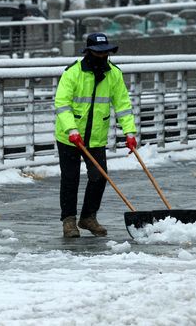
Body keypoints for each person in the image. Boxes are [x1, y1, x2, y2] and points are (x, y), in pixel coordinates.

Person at [54, 32, 137, 238]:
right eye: (99, 53)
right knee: (70, 179)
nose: (103, 57)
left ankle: (88, 217)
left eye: (106, 53)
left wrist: (129, 132)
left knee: (99, 177)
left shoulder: (114, 74)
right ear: (89, 52)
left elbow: (123, 105)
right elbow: (62, 104)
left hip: (96, 136)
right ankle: (69, 221)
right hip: (69, 137)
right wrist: (71, 130)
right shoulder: (73, 73)